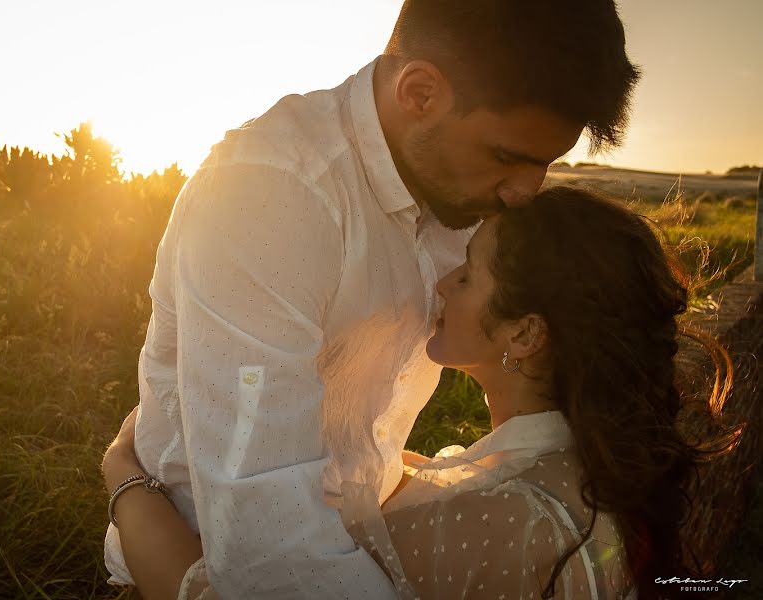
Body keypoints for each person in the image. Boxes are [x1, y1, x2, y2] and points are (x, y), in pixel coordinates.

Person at [104, 0, 641, 596]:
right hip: (205, 560)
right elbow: (265, 539)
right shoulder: (270, 195)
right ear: (419, 92)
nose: (523, 194)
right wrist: (128, 489)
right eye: (508, 157)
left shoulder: (465, 192)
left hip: (370, 544)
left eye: (545, 164)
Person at [103, 187, 742, 599]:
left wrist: (124, 477)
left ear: (525, 332)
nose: (442, 284)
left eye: (468, 274)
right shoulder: (575, 474)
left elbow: (208, 593)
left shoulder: (501, 524)